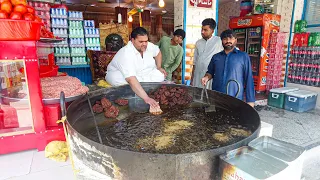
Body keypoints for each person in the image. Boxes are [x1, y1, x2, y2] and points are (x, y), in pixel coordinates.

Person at [105, 27, 167, 109]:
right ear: (132, 40)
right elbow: (130, 79)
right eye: (141, 42)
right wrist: (146, 98)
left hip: (141, 74)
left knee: (160, 74)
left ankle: (139, 86)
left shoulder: (148, 46)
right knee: (118, 79)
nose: (144, 44)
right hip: (124, 76)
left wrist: (159, 67)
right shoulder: (125, 53)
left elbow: (158, 52)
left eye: (146, 41)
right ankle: (139, 88)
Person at [201, 29, 255, 107]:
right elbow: (210, 72)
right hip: (217, 97)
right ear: (222, 41)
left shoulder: (243, 56)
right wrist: (206, 77)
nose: (228, 41)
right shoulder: (216, 57)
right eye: (225, 39)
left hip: (236, 98)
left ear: (235, 40)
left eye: (231, 38)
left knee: (235, 118)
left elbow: (248, 78)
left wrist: (250, 100)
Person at [191, 18, 224, 88]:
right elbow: (195, 62)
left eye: (205, 30)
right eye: (202, 29)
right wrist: (192, 79)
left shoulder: (219, 41)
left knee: (208, 96)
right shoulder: (198, 43)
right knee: (197, 96)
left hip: (210, 76)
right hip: (197, 75)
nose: (202, 32)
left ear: (212, 31)